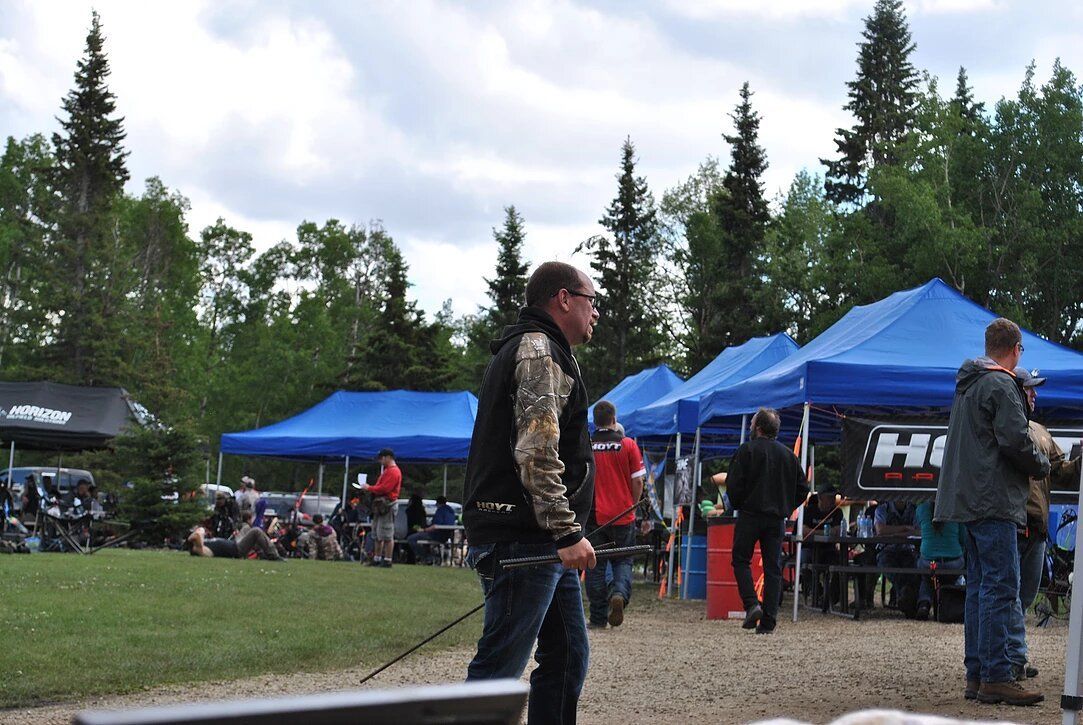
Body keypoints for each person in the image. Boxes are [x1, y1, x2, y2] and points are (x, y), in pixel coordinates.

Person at [463, 260, 599, 724]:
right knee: (499, 669)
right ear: (564, 299)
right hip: (525, 538)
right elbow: (537, 453)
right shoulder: (539, 350)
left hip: (540, 540)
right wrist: (567, 532)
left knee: (567, 657)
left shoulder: (544, 349)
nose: (596, 312)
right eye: (591, 301)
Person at [935, 318, 1049, 706]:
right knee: (1001, 589)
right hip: (994, 501)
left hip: (967, 502)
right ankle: (998, 676)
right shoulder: (1001, 384)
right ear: (1016, 349)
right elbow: (1016, 440)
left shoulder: (968, 385)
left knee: (979, 588)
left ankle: (977, 673)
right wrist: (1041, 464)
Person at [1006, 367, 1081, 681]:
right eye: (1029, 389)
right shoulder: (1005, 426)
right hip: (1009, 522)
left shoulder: (1041, 430)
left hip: (1036, 525)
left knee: (1024, 596)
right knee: (1007, 595)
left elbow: (1062, 472)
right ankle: (1009, 659)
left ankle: (1012, 657)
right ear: (1016, 392)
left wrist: (1081, 460)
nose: (1034, 394)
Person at [726, 408, 808, 634]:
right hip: (776, 519)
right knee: (773, 568)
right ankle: (768, 622)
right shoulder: (789, 456)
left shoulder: (746, 451)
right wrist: (786, 505)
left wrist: (740, 503)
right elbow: (803, 489)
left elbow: (733, 486)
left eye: (752, 423)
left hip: (750, 515)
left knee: (741, 560)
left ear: (758, 428)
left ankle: (751, 604)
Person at [585, 400, 645, 629]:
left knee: (595, 565)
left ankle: (598, 617)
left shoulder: (587, 445)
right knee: (623, 560)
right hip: (623, 514)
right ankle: (619, 593)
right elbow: (638, 481)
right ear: (614, 419)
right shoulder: (628, 444)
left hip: (594, 515)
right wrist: (633, 505)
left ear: (595, 421)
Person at [913, 500, 965, 621]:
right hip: (953, 562)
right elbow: (963, 537)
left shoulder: (922, 508)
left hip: (929, 562)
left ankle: (924, 603)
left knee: (927, 578)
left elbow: (918, 528)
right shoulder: (955, 507)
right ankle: (951, 601)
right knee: (954, 573)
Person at [358, 448, 402, 567]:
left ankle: (387, 560)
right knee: (377, 533)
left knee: (387, 534)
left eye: (381, 458)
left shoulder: (394, 471)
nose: (380, 461)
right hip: (380, 505)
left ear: (388, 457)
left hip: (388, 505)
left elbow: (385, 489)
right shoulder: (387, 471)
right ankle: (377, 558)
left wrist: (369, 488)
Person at [874, 500, 919, 614]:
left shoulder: (914, 509)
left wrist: (894, 533)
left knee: (914, 569)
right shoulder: (883, 509)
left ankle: (904, 597)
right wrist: (905, 528)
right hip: (886, 550)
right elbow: (880, 530)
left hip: (907, 550)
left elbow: (918, 531)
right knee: (890, 567)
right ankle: (905, 596)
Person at [407, 495, 458, 564]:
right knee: (423, 540)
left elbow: (435, 526)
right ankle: (430, 556)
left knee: (411, 538)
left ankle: (426, 557)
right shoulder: (451, 510)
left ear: (437, 503)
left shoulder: (440, 511)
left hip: (436, 535)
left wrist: (424, 530)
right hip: (447, 536)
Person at [184, 525, 281, 560]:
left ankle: (260, 549)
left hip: (234, 542)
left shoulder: (203, 542)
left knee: (246, 527)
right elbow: (198, 534)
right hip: (237, 550)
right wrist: (198, 531)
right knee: (256, 531)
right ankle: (273, 555)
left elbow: (198, 533)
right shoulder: (198, 548)